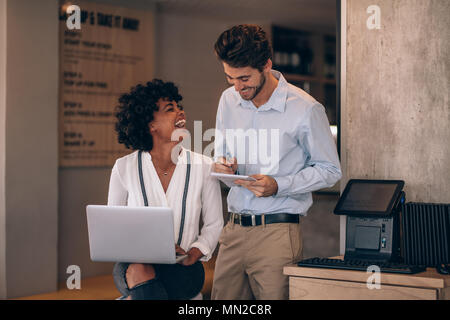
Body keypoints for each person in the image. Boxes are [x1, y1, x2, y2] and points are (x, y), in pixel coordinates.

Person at [211, 24, 342, 300]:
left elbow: (331, 171)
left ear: (266, 65)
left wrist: (279, 185)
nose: (237, 87)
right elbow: (221, 152)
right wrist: (224, 165)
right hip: (232, 230)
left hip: (277, 233)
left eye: (244, 78)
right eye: (230, 78)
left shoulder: (306, 109)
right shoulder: (228, 100)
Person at [108, 79, 223, 300]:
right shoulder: (124, 168)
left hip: (184, 268)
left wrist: (195, 252)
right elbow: (114, 228)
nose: (181, 113)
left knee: (143, 283)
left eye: (179, 107)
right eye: (171, 109)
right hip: (134, 265)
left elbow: (214, 223)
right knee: (140, 270)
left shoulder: (203, 166)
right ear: (151, 125)